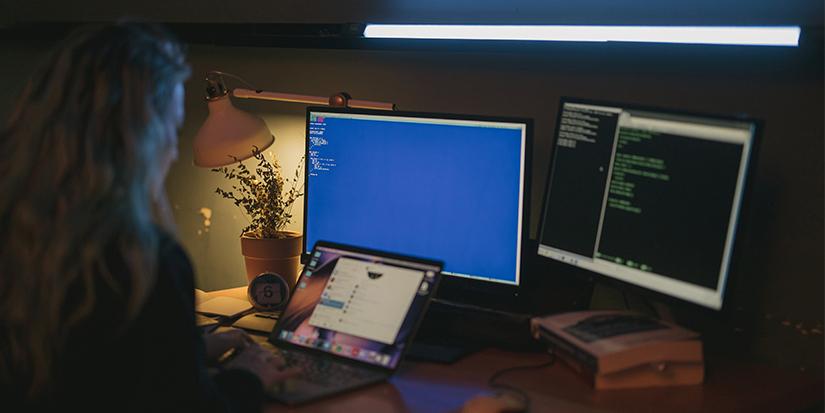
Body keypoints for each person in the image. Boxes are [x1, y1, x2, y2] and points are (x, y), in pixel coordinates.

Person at [0, 21, 294, 412]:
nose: (174, 151)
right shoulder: (143, 262)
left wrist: (188, 349)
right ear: (144, 138)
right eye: (172, 129)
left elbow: (91, 365)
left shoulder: (21, 231)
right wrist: (249, 376)